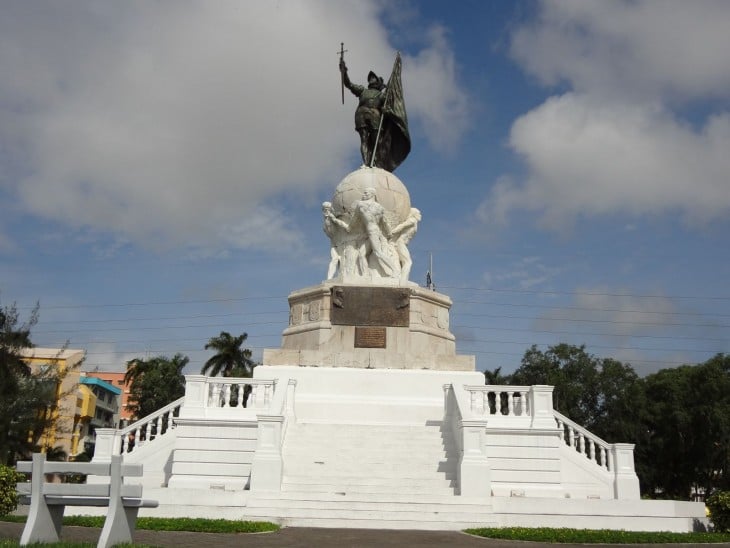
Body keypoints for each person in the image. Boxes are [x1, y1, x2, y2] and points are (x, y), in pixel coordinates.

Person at [328, 188, 398, 276]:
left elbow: (353, 223)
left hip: (372, 232)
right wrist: (389, 233)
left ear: (372, 194)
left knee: (378, 253)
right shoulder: (379, 207)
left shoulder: (361, 205)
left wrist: (336, 220)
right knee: (361, 254)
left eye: (365, 193)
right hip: (374, 232)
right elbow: (385, 222)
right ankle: (365, 275)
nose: (363, 195)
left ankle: (395, 271)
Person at [340, 59, 386, 168]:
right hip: (361, 114)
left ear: (378, 82)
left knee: (377, 141)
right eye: (370, 78)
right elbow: (348, 84)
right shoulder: (362, 90)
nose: (371, 78)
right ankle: (366, 163)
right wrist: (344, 71)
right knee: (364, 139)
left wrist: (386, 110)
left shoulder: (382, 95)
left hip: (375, 115)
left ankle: (375, 163)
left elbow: (389, 107)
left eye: (373, 78)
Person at [390, 207, 421, 284]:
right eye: (418, 213)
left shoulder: (414, 222)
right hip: (400, 243)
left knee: (403, 263)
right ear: (414, 214)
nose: (420, 214)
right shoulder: (412, 220)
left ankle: (403, 280)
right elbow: (402, 226)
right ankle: (403, 282)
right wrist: (392, 232)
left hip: (403, 243)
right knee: (408, 262)